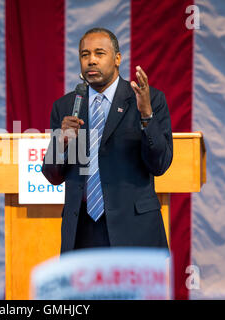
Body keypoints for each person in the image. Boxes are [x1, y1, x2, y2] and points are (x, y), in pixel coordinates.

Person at [42, 28, 173, 253]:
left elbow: (160, 164)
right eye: (85, 55)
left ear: (117, 59)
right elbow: (52, 176)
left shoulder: (147, 99)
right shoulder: (65, 107)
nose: (91, 60)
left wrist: (146, 116)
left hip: (134, 231)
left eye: (99, 53)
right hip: (82, 233)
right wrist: (61, 143)